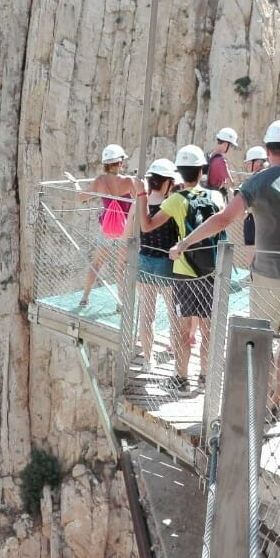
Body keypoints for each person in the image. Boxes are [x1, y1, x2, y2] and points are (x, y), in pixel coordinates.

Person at [170, 119, 280, 420]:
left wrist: (186, 243)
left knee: (262, 337)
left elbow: (223, 220)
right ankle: (277, 404)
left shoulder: (257, 182)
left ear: (268, 151)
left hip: (269, 274)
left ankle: (262, 402)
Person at [135, 145, 225, 395]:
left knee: (183, 328)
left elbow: (147, 225)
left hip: (184, 271)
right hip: (210, 272)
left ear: (180, 173)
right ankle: (205, 376)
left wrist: (142, 195)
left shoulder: (175, 200)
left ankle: (181, 378)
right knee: (207, 328)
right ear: (201, 170)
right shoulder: (216, 198)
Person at [69, 144, 138, 308]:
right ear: (119, 163)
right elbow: (140, 200)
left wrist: (75, 183)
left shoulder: (100, 181)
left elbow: (81, 198)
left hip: (107, 229)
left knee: (97, 264)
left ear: (105, 164)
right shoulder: (128, 181)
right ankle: (121, 303)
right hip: (125, 230)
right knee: (121, 268)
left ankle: (85, 298)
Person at [135, 159, 180, 372]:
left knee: (147, 313)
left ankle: (147, 359)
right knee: (174, 313)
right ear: (167, 182)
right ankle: (177, 358)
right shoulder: (170, 205)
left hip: (144, 260)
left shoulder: (141, 203)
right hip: (165, 262)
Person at [240, 146, 268, 267]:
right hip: (265, 224)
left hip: (254, 222)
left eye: (248, 162)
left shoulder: (256, 180)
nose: (247, 166)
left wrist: (248, 211)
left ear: (257, 162)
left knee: (251, 259)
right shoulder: (269, 177)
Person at [205, 127, 238, 195]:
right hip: (214, 196)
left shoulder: (210, 156)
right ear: (226, 144)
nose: (231, 148)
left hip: (207, 192)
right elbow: (231, 183)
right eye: (231, 145)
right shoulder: (221, 161)